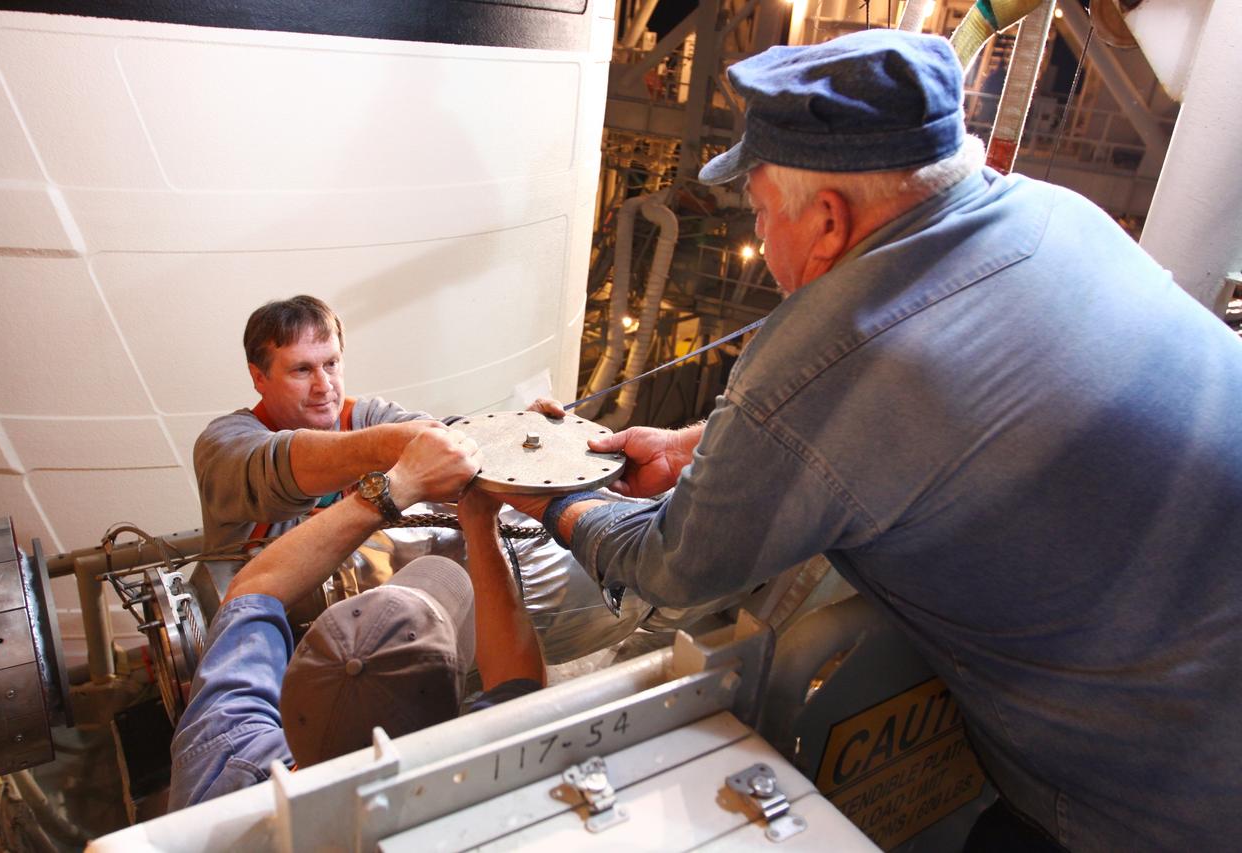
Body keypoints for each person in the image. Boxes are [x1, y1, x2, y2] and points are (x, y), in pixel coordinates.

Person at [501, 29, 1242, 852]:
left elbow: (671, 568)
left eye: (759, 213)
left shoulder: (838, 345)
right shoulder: (1056, 213)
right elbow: (942, 402)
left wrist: (551, 497)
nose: (761, 239)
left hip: (1155, 802)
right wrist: (693, 448)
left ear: (827, 219)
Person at [192, 294, 652, 662]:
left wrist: (511, 438)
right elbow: (282, 465)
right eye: (301, 370)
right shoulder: (225, 443)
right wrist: (396, 447)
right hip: (261, 648)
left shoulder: (366, 417)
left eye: (331, 364)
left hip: (368, 644)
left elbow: (445, 436)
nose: (323, 385)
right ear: (259, 377)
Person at [169, 427, 545, 810]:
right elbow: (518, 683)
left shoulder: (217, 756)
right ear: (454, 714)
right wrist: (480, 524)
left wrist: (399, 485)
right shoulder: (473, 795)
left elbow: (254, 588)